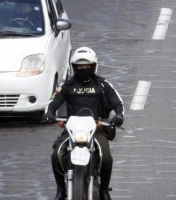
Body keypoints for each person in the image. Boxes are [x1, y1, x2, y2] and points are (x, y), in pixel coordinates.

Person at [44, 47, 124, 200]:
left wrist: (118, 116)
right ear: (73, 68)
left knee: (106, 157)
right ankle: (61, 189)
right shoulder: (67, 85)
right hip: (72, 131)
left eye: (87, 66)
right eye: (79, 67)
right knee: (55, 155)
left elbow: (118, 104)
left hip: (97, 129)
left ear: (94, 66)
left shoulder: (102, 84)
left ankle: (104, 191)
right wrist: (49, 113)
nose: (83, 69)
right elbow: (53, 103)